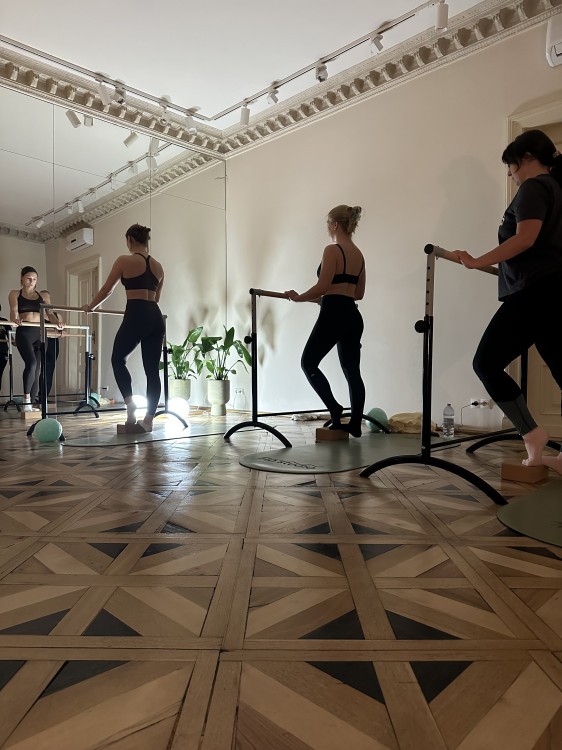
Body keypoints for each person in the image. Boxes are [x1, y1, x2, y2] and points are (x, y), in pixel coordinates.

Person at [455, 129, 562, 473]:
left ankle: (531, 434)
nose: (509, 174)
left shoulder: (534, 187)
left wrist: (476, 261)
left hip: (536, 291)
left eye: (510, 166)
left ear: (526, 158)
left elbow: (525, 238)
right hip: (553, 291)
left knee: (485, 363)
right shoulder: (557, 188)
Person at [285, 205, 366, 437]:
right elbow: (358, 293)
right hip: (352, 314)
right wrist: (324, 298)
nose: (327, 228)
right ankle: (355, 424)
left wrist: (299, 297)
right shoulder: (359, 255)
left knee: (308, 363)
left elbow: (323, 286)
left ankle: (335, 408)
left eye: (328, 223)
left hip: (334, 314)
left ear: (335, 224)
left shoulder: (332, 250)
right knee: (352, 371)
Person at [82, 224, 165, 432]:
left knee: (118, 360)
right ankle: (148, 421)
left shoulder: (124, 260)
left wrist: (91, 307)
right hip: (155, 317)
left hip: (136, 314)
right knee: (152, 371)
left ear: (129, 240)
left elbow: (107, 289)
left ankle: (130, 404)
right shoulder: (159, 267)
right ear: (146, 241)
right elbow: (156, 298)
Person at [8, 267, 63, 411]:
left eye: (34, 279)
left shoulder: (43, 295)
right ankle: (26, 401)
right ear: (22, 278)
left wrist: (57, 322)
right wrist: (15, 319)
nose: (31, 281)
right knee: (31, 363)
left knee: (37, 368)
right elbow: (13, 311)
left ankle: (31, 404)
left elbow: (49, 313)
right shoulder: (15, 293)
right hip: (24, 332)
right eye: (28, 278)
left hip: (40, 333)